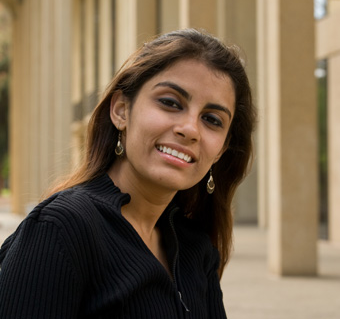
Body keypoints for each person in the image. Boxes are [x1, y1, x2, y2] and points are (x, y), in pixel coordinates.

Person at [0, 28, 256, 318]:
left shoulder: (197, 249)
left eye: (211, 119)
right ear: (121, 110)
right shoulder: (60, 230)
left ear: (221, 150)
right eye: (170, 103)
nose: (190, 129)